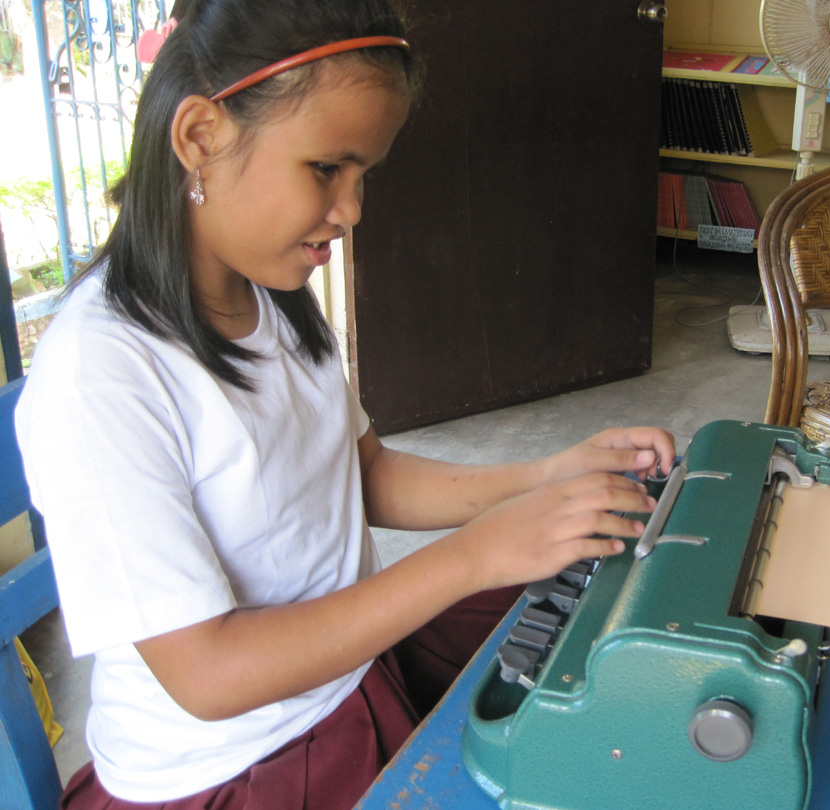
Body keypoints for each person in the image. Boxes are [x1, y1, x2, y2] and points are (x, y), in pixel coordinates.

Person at [14, 1, 676, 808]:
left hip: (347, 669)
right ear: (199, 140)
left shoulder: (273, 295)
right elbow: (209, 675)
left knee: (599, 585)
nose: (353, 209)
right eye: (327, 168)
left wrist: (546, 475)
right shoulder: (103, 373)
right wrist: (473, 554)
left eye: (363, 174)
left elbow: (361, 475)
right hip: (238, 764)